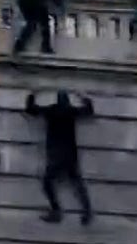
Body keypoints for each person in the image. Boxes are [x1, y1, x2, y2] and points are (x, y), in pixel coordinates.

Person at [25, 89, 95, 225]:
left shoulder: (51, 111)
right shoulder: (71, 111)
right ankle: (87, 211)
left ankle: (56, 210)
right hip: (70, 154)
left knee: (47, 182)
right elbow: (89, 110)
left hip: (55, 154)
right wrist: (84, 97)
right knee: (77, 183)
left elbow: (31, 110)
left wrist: (32, 95)